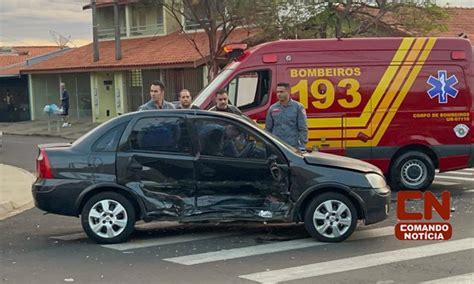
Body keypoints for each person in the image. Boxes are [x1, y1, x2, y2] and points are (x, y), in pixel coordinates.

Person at [265, 82, 308, 150]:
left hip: (293, 146)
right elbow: (268, 129)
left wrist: (302, 146)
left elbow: (303, 128)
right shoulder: (272, 108)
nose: (279, 94)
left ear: (288, 92)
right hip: (277, 146)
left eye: (281, 92)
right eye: (277, 92)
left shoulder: (298, 107)